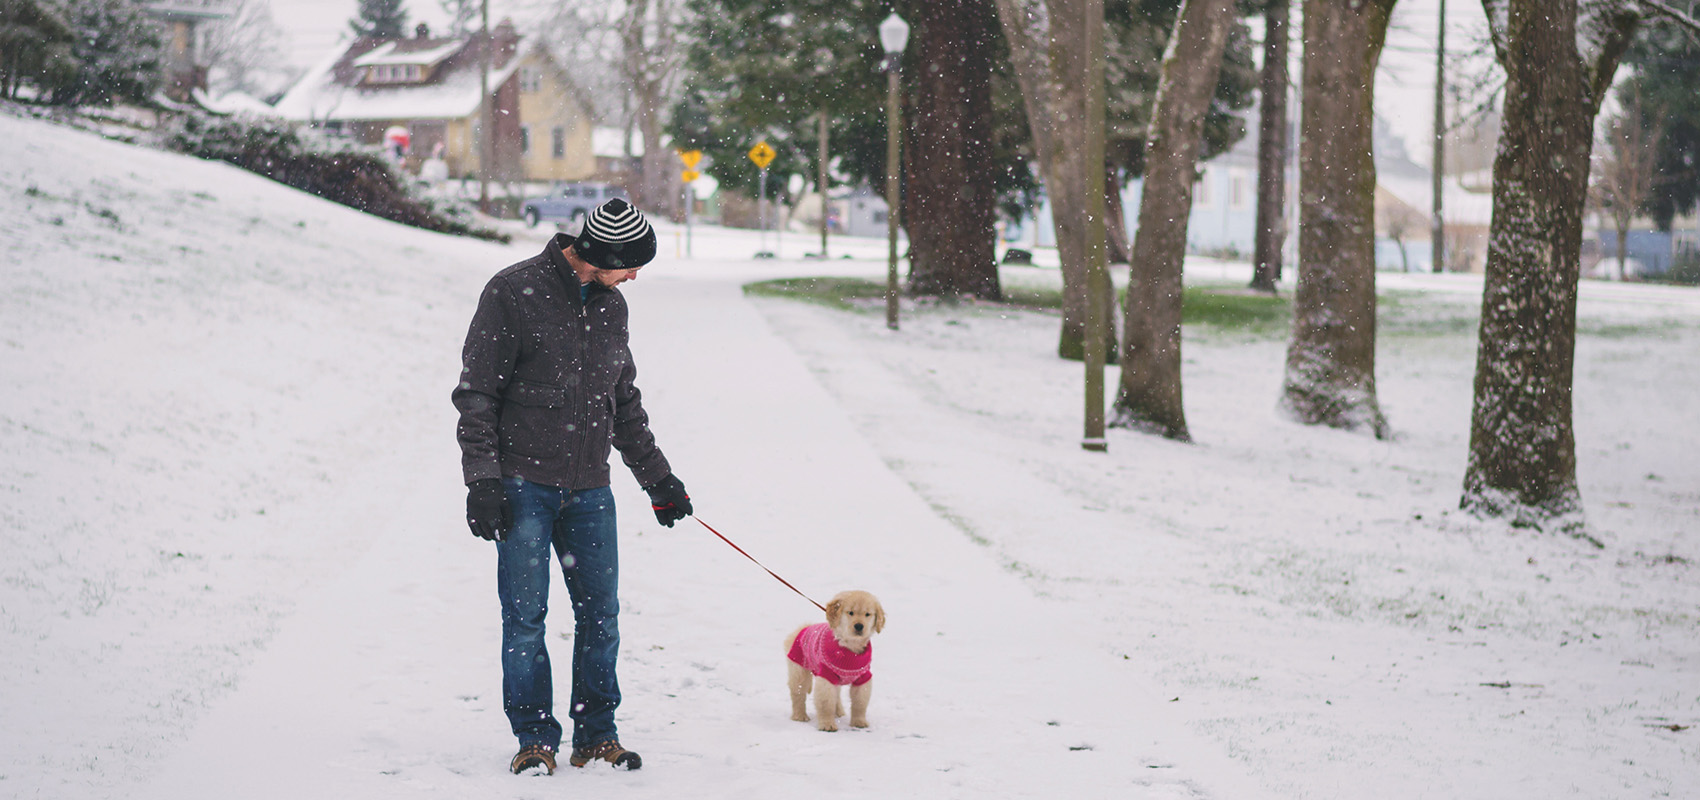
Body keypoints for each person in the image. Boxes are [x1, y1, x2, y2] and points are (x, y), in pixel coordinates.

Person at [453, 198, 693, 776]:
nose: (634, 277)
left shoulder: (611, 308)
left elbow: (623, 402)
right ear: (600, 255)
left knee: (601, 617)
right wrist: (483, 480)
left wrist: (658, 478)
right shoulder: (513, 292)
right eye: (630, 265)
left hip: (590, 489)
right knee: (526, 617)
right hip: (522, 485)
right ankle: (535, 738)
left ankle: (595, 734)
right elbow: (477, 394)